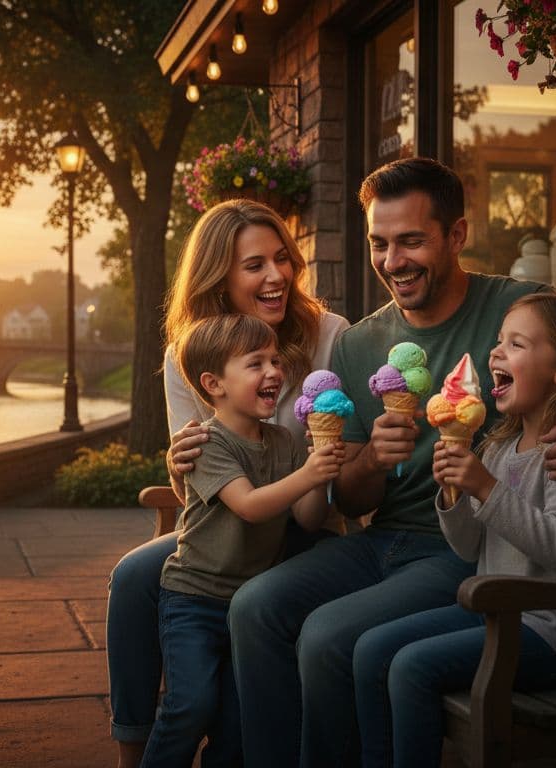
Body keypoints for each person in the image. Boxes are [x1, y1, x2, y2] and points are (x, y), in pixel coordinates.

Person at [227, 157, 556, 767]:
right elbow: (350, 501)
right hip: (383, 539)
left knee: (328, 638)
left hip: (461, 551)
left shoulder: (516, 311)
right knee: (255, 608)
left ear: (456, 236)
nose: (392, 261)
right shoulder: (359, 342)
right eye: (379, 243)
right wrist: (371, 458)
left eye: (411, 241)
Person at [106, 199, 350, 768]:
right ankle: (136, 747)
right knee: (134, 576)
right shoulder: (187, 355)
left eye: (282, 259)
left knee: (228, 692)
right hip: (231, 526)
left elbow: (324, 490)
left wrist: (325, 464)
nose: (276, 275)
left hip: (300, 529)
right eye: (254, 265)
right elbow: (196, 461)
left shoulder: (329, 335)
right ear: (220, 277)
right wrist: (177, 462)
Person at [352, 293, 556, 767]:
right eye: (498, 342)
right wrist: (454, 494)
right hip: (501, 617)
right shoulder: (500, 446)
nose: (496, 353)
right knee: (371, 649)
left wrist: (485, 486)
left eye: (515, 344)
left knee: (412, 668)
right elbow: (468, 546)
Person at [142, 313, 344, 768]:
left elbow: (308, 520)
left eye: (275, 360)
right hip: (192, 600)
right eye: (256, 364)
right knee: (189, 707)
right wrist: (307, 475)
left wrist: (319, 473)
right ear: (215, 384)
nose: (274, 371)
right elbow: (250, 505)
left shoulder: (284, 443)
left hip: (244, 609)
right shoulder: (206, 443)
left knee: (235, 724)